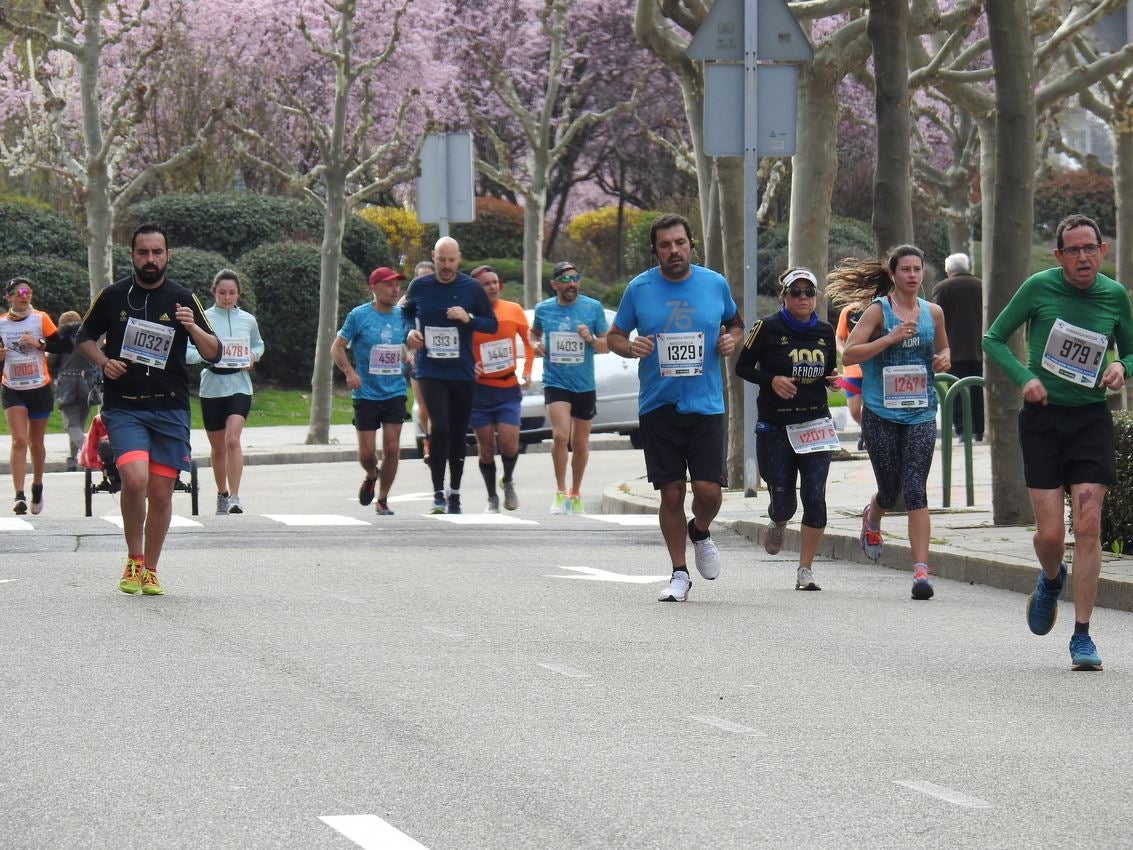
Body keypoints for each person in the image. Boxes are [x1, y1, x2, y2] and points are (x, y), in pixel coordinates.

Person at [983, 214, 1133, 672]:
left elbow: (1131, 348)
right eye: (1073, 250)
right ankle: (1051, 579)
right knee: (1050, 535)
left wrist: (1123, 366)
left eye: (1090, 248)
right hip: (1043, 421)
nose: (1083, 257)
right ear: (1060, 255)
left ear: (1102, 250)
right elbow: (993, 339)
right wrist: (1024, 378)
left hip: (1090, 420)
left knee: (1088, 527)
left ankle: (1082, 635)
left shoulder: (1115, 295)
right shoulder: (1039, 287)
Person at [77, 224, 221, 596]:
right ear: (132, 256)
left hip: (170, 408)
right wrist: (104, 361)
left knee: (160, 493)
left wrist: (192, 326)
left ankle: (152, 569)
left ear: (168, 255)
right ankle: (134, 558)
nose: (151, 259)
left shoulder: (182, 298)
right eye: (144, 253)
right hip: (125, 408)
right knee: (135, 480)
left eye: (158, 252)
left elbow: (213, 352)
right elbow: (84, 338)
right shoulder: (112, 296)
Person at [606, 213, 743, 602]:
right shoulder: (640, 288)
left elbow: (735, 323)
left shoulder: (714, 283)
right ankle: (679, 572)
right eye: (665, 245)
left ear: (690, 245)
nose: (673, 251)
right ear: (656, 251)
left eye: (679, 243)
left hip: (706, 403)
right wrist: (630, 347)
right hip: (658, 403)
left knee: (709, 490)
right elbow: (614, 335)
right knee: (671, 492)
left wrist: (731, 341)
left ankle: (699, 529)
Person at [831, 244, 950, 601]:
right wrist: (890, 338)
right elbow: (850, 353)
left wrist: (943, 360)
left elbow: (945, 350)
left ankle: (920, 573)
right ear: (893, 274)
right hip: (881, 413)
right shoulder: (877, 311)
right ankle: (874, 515)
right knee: (891, 490)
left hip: (921, 411)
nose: (913, 275)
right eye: (906, 270)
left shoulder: (934, 312)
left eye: (918, 269)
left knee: (915, 488)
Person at [735, 268, 839, 591]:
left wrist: (831, 380)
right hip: (776, 426)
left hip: (815, 424)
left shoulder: (825, 330)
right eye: (796, 292)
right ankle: (779, 518)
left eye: (809, 292)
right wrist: (772, 380)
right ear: (784, 296)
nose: (803, 298)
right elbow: (742, 366)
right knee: (785, 500)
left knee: (815, 496)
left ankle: (805, 570)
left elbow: (827, 370)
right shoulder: (766, 328)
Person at [402, 238, 497, 514]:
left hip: (462, 371)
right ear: (433, 257)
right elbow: (405, 314)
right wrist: (408, 332)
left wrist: (468, 318)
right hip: (430, 369)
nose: (446, 266)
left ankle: (454, 493)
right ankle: (437, 494)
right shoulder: (420, 286)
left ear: (459, 258)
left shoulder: (472, 288)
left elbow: (491, 324)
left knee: (457, 433)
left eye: (451, 260)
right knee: (439, 427)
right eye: (441, 260)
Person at [529, 261, 608, 514]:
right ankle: (560, 492)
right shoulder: (544, 310)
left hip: (584, 384)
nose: (571, 283)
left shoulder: (592, 308)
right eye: (565, 279)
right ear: (554, 284)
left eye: (575, 278)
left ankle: (575, 492)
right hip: (555, 380)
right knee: (561, 436)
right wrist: (534, 345)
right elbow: (533, 334)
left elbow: (606, 345)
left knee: (581, 442)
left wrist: (591, 339)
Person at [187, 269, 265, 515]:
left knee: (233, 439)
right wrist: (206, 355)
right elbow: (188, 351)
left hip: (240, 385)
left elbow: (258, 344)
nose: (227, 297)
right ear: (214, 293)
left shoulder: (248, 320)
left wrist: (253, 356)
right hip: (212, 387)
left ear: (238, 294)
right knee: (218, 447)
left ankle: (235, 497)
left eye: (232, 293)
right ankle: (221, 493)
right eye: (222, 292)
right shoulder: (204, 319)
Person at [332, 266, 409, 516]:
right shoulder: (359, 315)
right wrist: (349, 372)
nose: (394, 289)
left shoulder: (402, 316)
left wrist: (412, 355)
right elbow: (337, 347)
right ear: (373, 288)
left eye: (396, 285)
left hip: (395, 391)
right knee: (366, 453)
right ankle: (371, 473)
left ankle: (383, 499)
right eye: (388, 285)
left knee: (392, 447)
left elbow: (409, 344)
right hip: (366, 392)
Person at [0, 277, 68, 514]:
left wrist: (39, 343)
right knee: (19, 439)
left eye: (27, 291)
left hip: (39, 387)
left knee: (35, 443)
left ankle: (37, 485)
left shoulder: (41, 319)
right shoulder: (1, 324)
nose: (24, 295)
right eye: (18, 292)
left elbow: (62, 346)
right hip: (13, 389)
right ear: (8, 297)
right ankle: (19, 496)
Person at [469, 264, 533, 512]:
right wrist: (467, 366)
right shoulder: (469, 316)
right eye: (486, 284)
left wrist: (526, 371)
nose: (493, 286)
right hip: (480, 391)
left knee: (509, 443)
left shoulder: (513, 310)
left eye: (495, 282)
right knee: (485, 448)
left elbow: (529, 343)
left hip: (507, 387)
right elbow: (461, 347)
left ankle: (507, 480)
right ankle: (491, 497)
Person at [933, 252, 985, 441]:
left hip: (953, 348)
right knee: (978, 390)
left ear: (948, 270)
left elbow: (935, 318)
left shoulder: (943, 288)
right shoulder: (982, 285)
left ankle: (962, 429)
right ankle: (980, 428)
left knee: (955, 391)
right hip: (980, 347)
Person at [49, 310, 98, 473]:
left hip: (68, 385)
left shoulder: (61, 340)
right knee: (79, 424)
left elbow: (51, 363)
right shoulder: (88, 338)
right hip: (88, 385)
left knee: (70, 425)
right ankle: (72, 460)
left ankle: (90, 449)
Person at [409, 259, 435, 463]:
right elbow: (397, 322)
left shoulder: (443, 298)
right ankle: (427, 440)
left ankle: (436, 442)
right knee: (424, 406)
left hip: (441, 361)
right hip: (418, 360)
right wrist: (408, 353)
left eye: (429, 277)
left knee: (438, 406)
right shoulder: (410, 301)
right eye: (421, 277)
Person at [834, 302, 866, 450]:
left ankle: (871, 433)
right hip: (852, 370)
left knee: (873, 407)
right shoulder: (848, 311)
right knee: (854, 411)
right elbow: (838, 337)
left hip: (873, 370)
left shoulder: (879, 307)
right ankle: (866, 429)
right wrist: (844, 351)